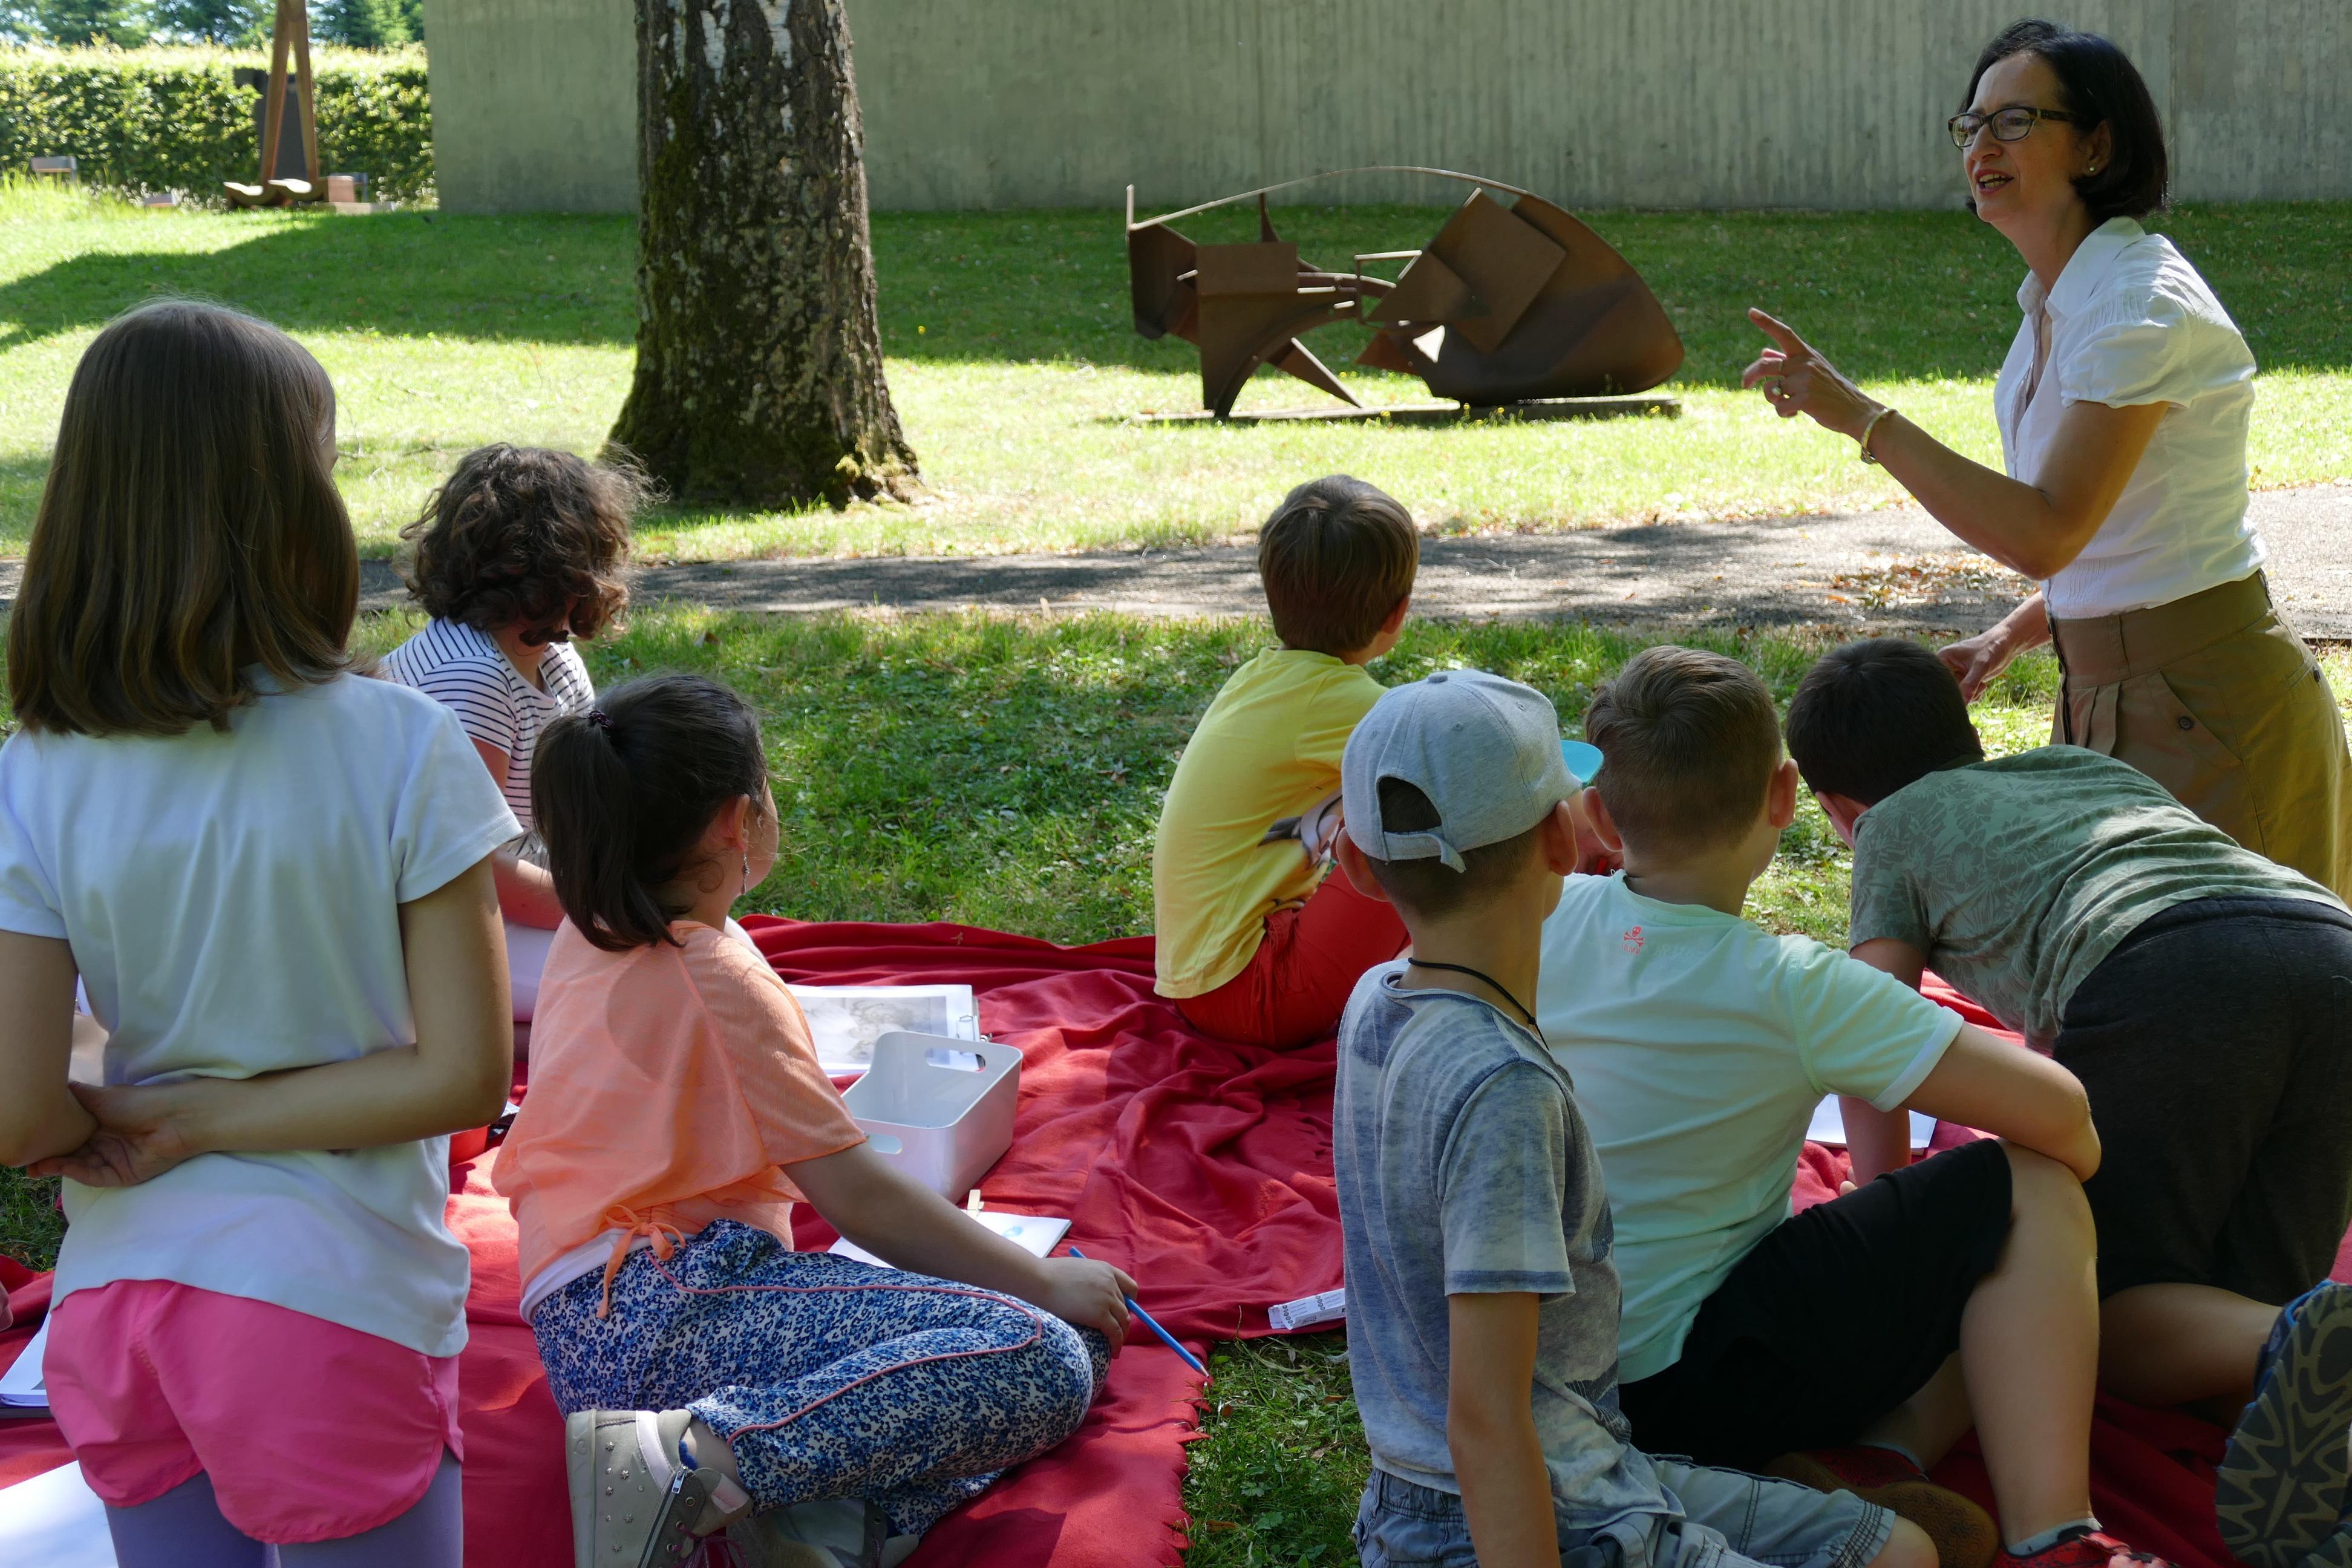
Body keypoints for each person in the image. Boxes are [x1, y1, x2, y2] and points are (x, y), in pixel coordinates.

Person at [0, 301, 518, 1567]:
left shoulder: (32, 770)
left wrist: (143, 1121)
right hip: (327, 1295)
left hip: (116, 1304)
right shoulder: (401, 743)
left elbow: (18, 1110)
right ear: (294, 504)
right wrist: (209, 1119)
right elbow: (461, 1077)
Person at [1537, 645, 2170, 1568]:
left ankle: (1871, 1456)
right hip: (1697, 1385)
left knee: (1960, 1241)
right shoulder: (1796, 985)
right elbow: (2064, 1116)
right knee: (2027, 1188)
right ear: (1785, 797)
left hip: (1547, 1371)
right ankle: (2058, 1535)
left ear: (1599, 812)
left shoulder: (1537, 922)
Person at [495, 672, 1135, 1568]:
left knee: (1043, 1347)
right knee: (1045, 1350)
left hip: (593, 1329)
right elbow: (859, 1199)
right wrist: (1041, 1280)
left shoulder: (597, 923)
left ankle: (816, 1513)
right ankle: (692, 1462)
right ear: (736, 819)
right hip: (667, 1305)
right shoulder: (716, 974)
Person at [1327, 668, 1933, 1568]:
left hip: (1515, 1476)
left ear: (1356, 866)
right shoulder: (1504, 1086)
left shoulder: (1372, 1000)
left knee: (1896, 1548)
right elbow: (1490, 1424)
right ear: (1565, 843)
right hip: (1531, 1510)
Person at [1739, 19, 2351, 897]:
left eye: (2015, 121)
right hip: (2115, 692)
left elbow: (2049, 532)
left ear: (2097, 144)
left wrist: (1865, 418)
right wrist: (2014, 635)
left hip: (2209, 709)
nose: (1982, 144)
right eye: (1972, 124)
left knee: (2232, 1003)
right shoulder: (2062, 302)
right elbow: (2118, 533)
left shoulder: (2140, 304)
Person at [1782, 638, 2352, 1567]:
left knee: (2102, 1303)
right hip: (2326, 946)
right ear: (1965, 731)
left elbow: (1870, 1019)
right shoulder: (2079, 766)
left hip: (2172, 975)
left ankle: (2303, 1327)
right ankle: (2321, 1417)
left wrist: (1881, 1198)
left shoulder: (1891, 825)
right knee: (2228, 1324)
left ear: (1837, 809)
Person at [1151, 474, 1416, 1048]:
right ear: (1397, 613)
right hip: (1251, 992)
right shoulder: (1346, 702)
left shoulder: (1263, 677)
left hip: (1201, 983)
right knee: (1430, 828)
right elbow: (1468, 758)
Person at [384, 443, 641, 1021]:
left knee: (692, 940)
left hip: (517, 902)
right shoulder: (470, 679)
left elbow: (581, 803)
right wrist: (601, 911)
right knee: (641, 977)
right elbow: (475, 866)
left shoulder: (550, 659)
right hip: (435, 925)